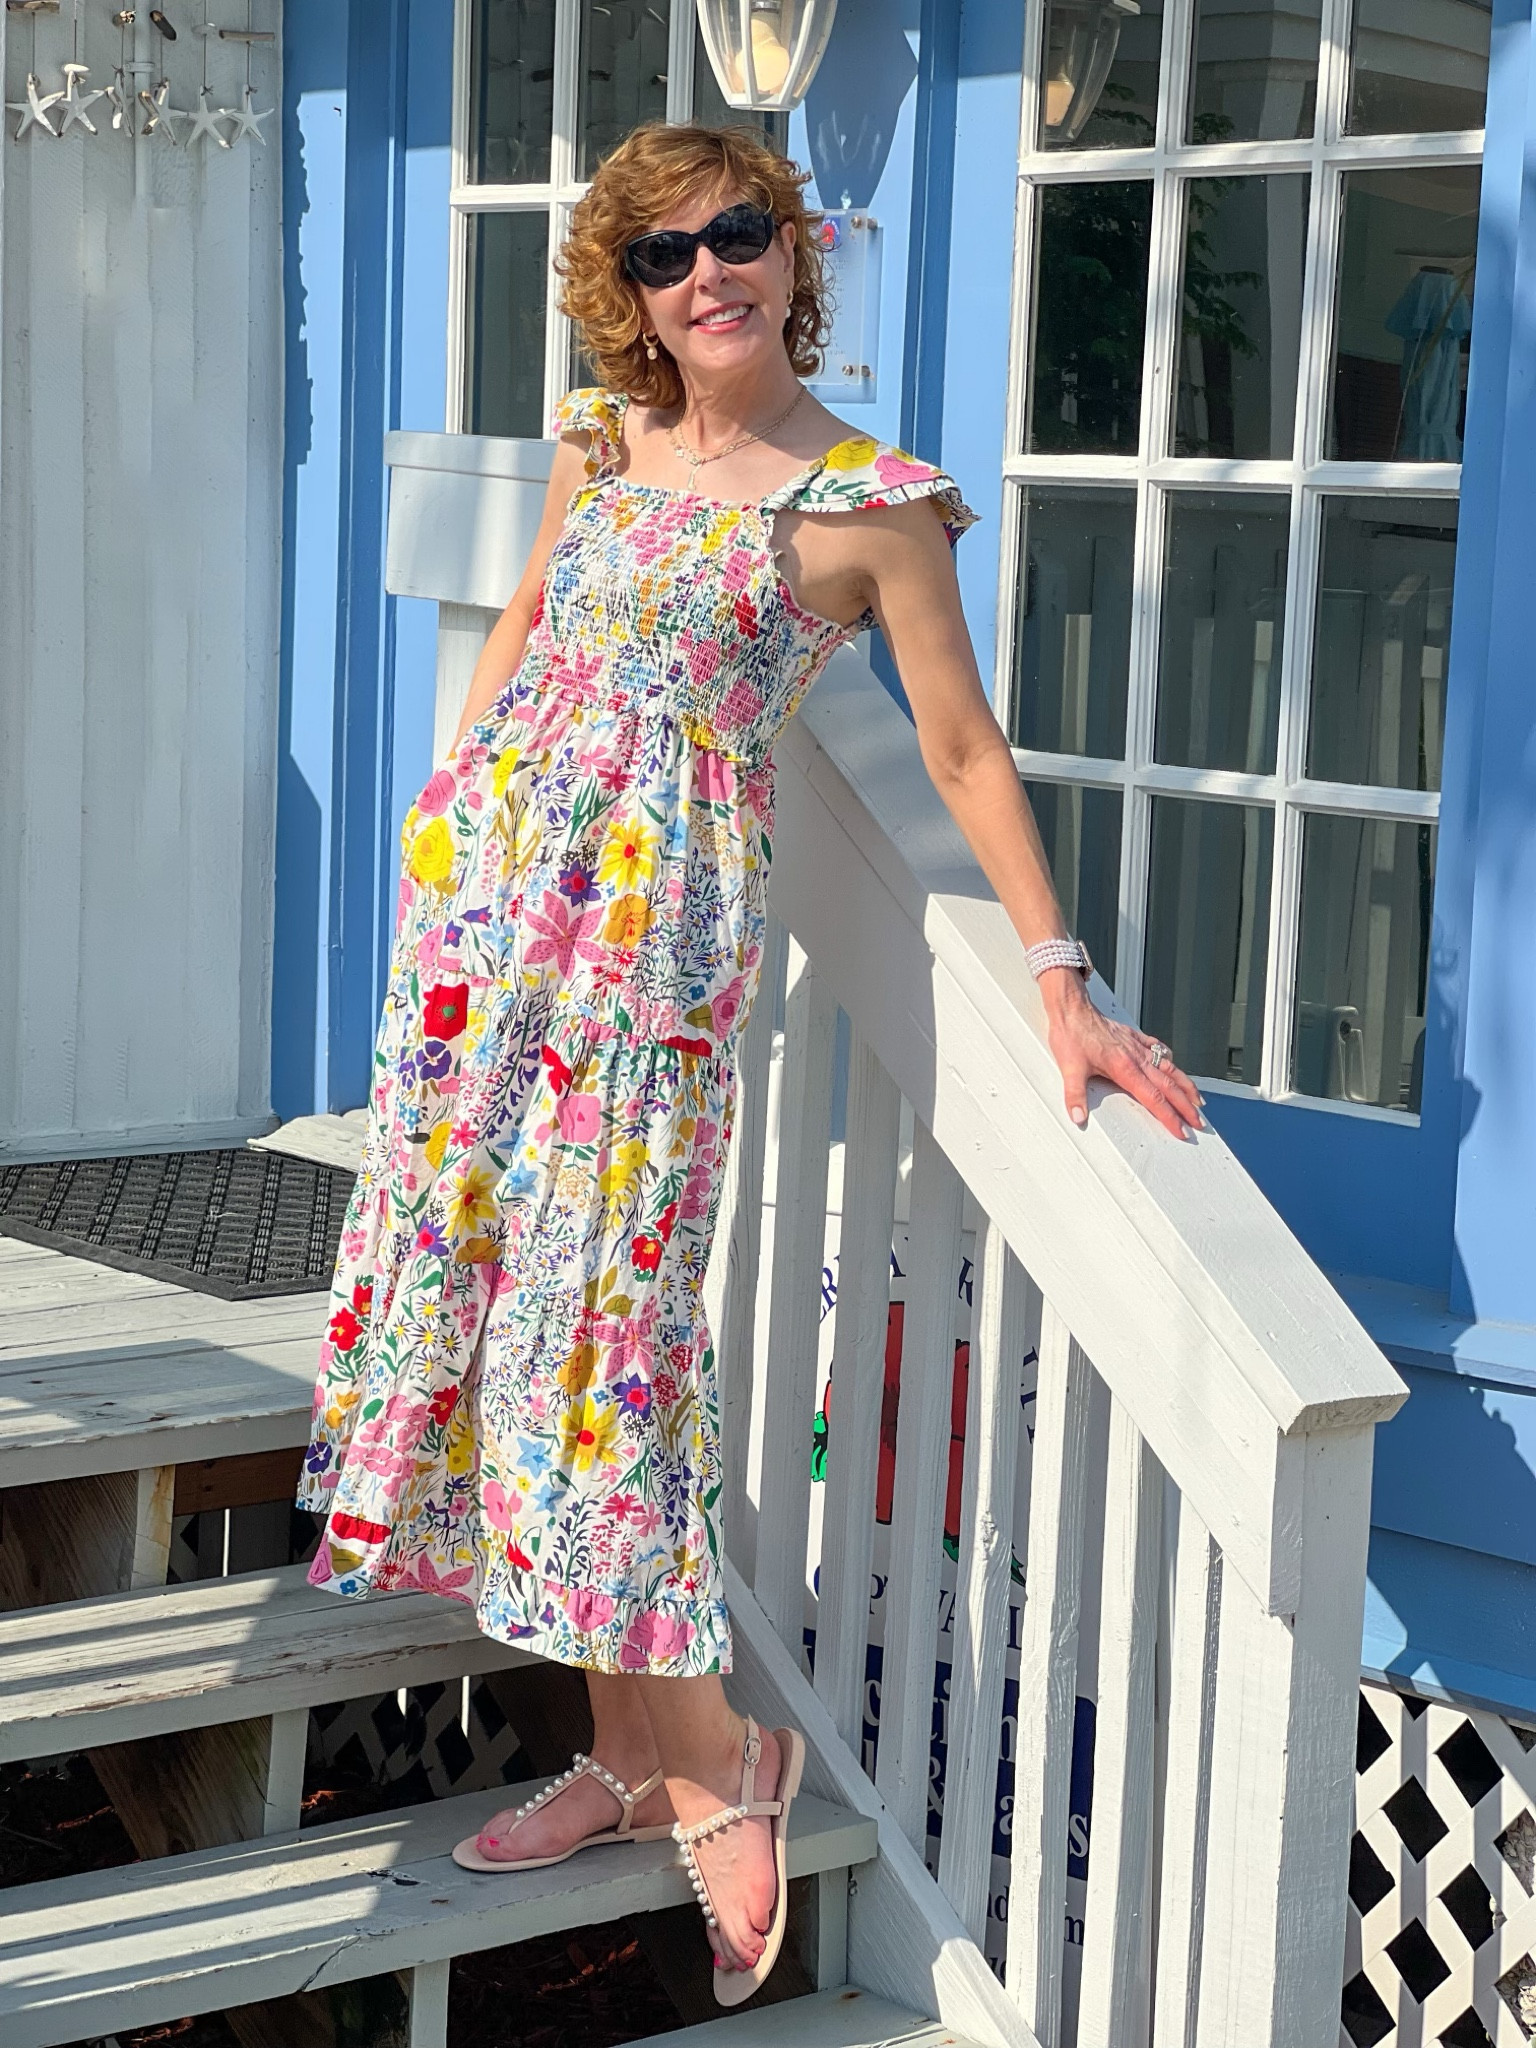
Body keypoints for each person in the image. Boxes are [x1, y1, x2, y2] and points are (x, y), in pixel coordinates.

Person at [299, 121, 1200, 2004]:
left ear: (796, 255)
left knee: (608, 1344)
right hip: (486, 952)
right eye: (662, 255)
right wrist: (450, 817)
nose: (705, 275)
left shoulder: (872, 503)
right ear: (625, 292)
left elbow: (958, 752)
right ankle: (630, 1759)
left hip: (651, 969)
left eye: (738, 236)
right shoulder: (601, 437)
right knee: (495, 1335)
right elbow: (537, 618)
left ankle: (720, 1759)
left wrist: (1059, 971)